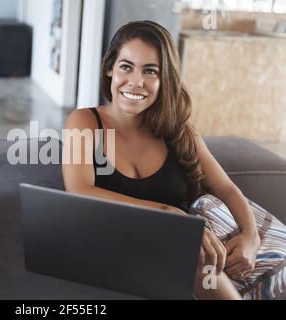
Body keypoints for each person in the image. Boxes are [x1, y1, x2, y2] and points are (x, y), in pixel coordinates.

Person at [62, 20, 285, 300]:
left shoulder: (178, 130)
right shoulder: (85, 121)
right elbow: (80, 190)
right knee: (184, 243)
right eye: (126, 66)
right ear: (110, 68)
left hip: (202, 260)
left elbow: (225, 188)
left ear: (164, 78)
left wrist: (251, 239)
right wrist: (169, 214)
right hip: (139, 248)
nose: (135, 82)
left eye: (150, 71)